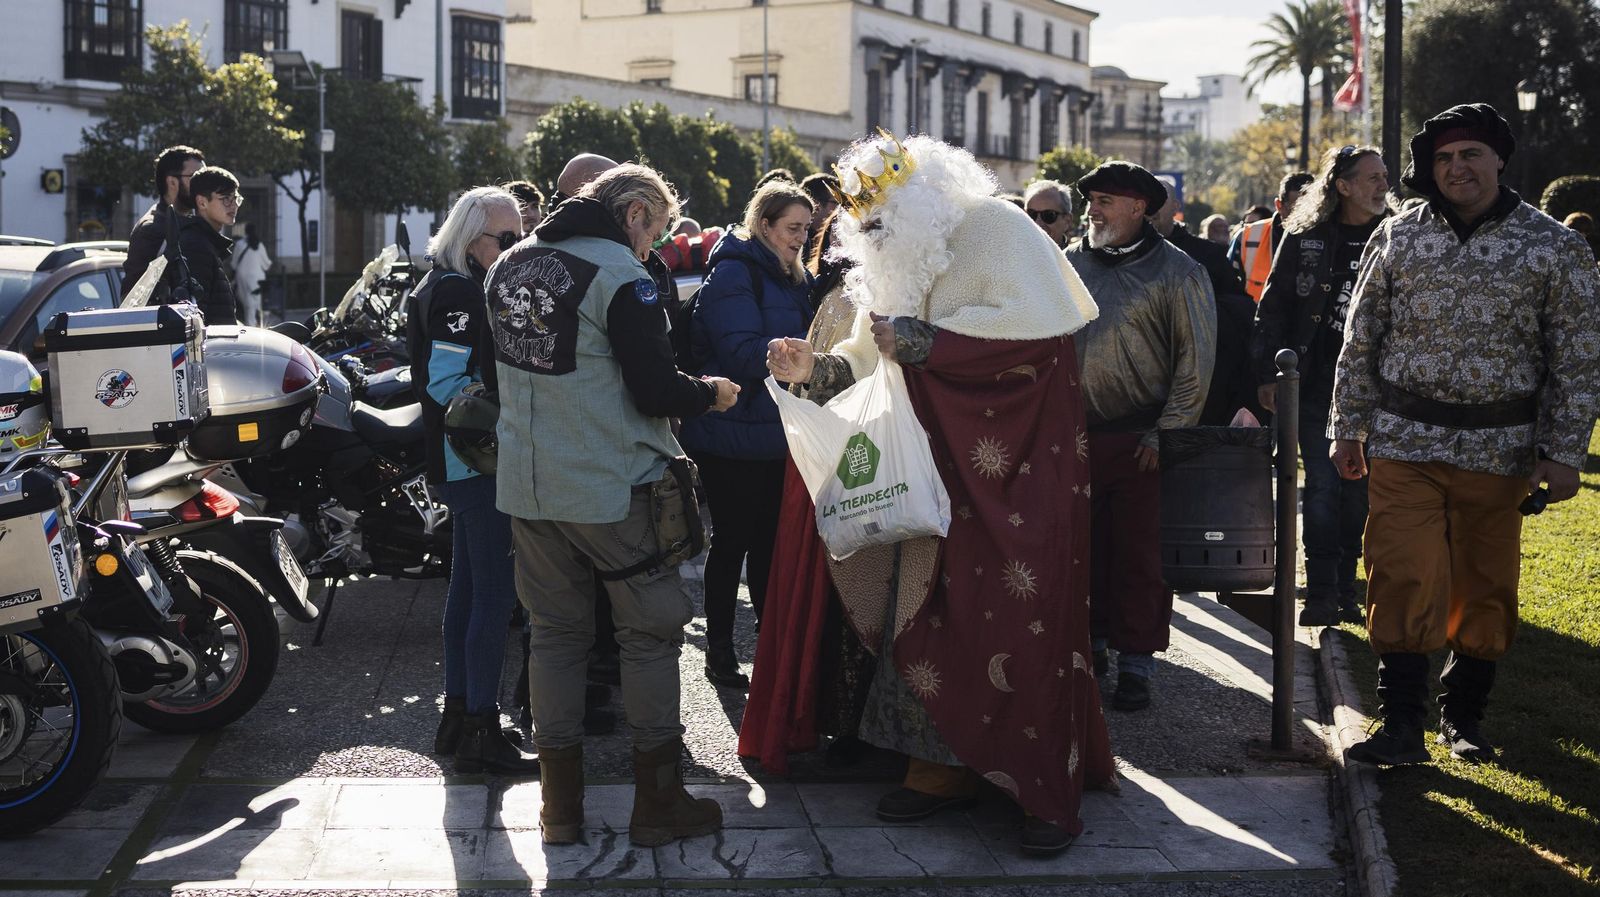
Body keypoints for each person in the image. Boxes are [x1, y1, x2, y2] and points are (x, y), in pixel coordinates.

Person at [766, 132, 1115, 855]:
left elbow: (1035, 347)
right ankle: (936, 770)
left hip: (1011, 477)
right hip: (927, 474)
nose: (871, 236)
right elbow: (871, 352)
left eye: (880, 219)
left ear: (920, 197)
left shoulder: (998, 230)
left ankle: (1034, 784)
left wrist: (924, 343)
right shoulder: (901, 251)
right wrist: (817, 368)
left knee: (1015, 620)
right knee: (922, 614)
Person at [1331, 104, 1599, 766]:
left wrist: (1564, 451)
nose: (1458, 168)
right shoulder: (1397, 237)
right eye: (1445, 158)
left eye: (1471, 154)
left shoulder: (1553, 246)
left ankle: (1465, 719)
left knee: (1484, 584)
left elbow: (1579, 355)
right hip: (1404, 439)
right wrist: (1347, 426)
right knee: (1400, 572)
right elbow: (1361, 338)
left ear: (1499, 159)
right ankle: (1400, 723)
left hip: (1497, 449)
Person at [489, 163, 740, 846]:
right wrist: (710, 392)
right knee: (651, 632)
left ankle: (559, 810)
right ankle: (658, 805)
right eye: (654, 232)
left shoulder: (508, 264)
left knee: (554, 636)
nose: (653, 250)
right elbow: (656, 389)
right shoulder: (620, 275)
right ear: (632, 213)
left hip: (529, 485)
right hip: (610, 485)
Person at [1066, 160, 1216, 712]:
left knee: (1136, 557)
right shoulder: (1068, 263)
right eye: (1091, 201)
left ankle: (1136, 664)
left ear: (1138, 208)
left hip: (1140, 439)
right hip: (1075, 438)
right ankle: (1090, 646)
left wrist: (1166, 433)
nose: (1093, 211)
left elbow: (1195, 365)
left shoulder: (1179, 272)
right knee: (1082, 551)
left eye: (1105, 201)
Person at [739, 205, 878, 773]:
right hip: (845, 462)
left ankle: (863, 729)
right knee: (844, 600)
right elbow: (843, 368)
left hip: (877, 464)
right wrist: (807, 368)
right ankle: (847, 727)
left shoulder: (895, 291)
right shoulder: (845, 295)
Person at [407, 186, 539, 776]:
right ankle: (480, 725)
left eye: (522, 237)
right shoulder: (459, 289)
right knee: (492, 593)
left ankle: (460, 716)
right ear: (471, 238)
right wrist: (509, 414)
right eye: (507, 239)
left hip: (458, 462)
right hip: (474, 463)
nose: (517, 248)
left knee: (466, 591)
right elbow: (444, 384)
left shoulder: (445, 281)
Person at [679, 182, 815, 689]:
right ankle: (718, 652)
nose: (802, 237)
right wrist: (792, 356)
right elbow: (738, 352)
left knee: (768, 545)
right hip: (730, 431)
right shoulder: (733, 273)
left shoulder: (793, 275)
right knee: (733, 541)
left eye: (806, 228)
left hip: (776, 432)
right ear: (764, 225)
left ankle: (768, 649)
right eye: (793, 228)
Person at [1252, 145, 1390, 627]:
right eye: (1371, 177)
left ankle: (1351, 588)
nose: (1382, 185)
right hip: (1315, 389)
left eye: (1384, 176)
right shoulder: (1305, 235)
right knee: (1324, 489)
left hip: (1382, 392)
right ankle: (1324, 591)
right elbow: (1274, 305)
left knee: (1363, 494)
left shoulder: (1402, 235)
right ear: (1342, 185)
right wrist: (1268, 374)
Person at [1150, 181, 1254, 427]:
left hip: (1201, 386)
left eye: (1159, 199)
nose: (1151, 206)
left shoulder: (1207, 256)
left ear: (1175, 206)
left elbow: (1240, 312)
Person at [123, 145, 204, 299]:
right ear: (172, 182)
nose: (203, 185)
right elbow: (132, 296)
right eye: (195, 177)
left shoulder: (192, 222)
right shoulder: (151, 229)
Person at [1230, 174, 1313, 303]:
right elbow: (1228, 291)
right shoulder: (1245, 238)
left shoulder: (1332, 237)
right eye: (1296, 209)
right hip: (1252, 320)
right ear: (1279, 205)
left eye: (1310, 209)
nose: (1304, 217)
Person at [176, 166, 243, 324]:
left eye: (236, 198)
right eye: (226, 198)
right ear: (202, 202)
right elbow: (197, 317)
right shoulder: (195, 245)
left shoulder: (205, 241)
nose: (234, 205)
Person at [231, 222, 272, 326]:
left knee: (247, 304)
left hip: (243, 277)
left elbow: (234, 264)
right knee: (256, 303)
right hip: (258, 278)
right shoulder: (259, 244)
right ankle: (260, 324)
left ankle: (251, 324)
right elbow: (266, 264)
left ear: (245, 231)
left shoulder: (240, 244)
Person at [1023, 179, 1075, 249]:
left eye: (1048, 215)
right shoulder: (1010, 256)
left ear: (1067, 221)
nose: (1038, 223)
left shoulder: (1078, 259)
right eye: (1031, 214)